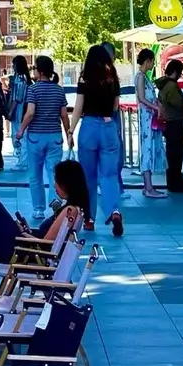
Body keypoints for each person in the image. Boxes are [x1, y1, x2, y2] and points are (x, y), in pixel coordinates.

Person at [0, 159, 89, 293]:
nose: (54, 185)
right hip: (29, 248)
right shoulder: (75, 209)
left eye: (56, 181)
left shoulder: (69, 211)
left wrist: (23, 233)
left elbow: (47, 244)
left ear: (66, 184)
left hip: (25, 252)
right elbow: (49, 240)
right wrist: (27, 231)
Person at [71, 43, 124, 236]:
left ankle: (89, 219)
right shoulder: (113, 78)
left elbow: (78, 108)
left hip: (89, 127)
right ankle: (114, 211)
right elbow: (116, 106)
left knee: (89, 176)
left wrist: (70, 130)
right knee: (109, 175)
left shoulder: (85, 78)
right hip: (109, 127)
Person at [15, 53, 71, 222]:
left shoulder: (33, 90)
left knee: (35, 174)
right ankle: (54, 199)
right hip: (55, 137)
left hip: (36, 138)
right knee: (54, 172)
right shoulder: (59, 90)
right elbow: (64, 115)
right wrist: (69, 134)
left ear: (39, 71)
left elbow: (30, 113)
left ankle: (38, 209)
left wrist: (21, 130)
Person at [134, 47, 166, 197]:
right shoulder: (141, 77)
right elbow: (141, 98)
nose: (153, 64)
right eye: (152, 61)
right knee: (147, 148)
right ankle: (148, 187)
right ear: (148, 61)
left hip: (149, 117)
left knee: (148, 148)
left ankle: (148, 185)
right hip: (146, 118)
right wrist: (155, 107)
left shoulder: (144, 76)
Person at [158, 59, 183, 191]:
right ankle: (177, 183)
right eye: (180, 72)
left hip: (168, 122)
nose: (180, 75)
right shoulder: (171, 86)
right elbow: (178, 103)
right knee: (176, 154)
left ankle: (172, 182)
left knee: (171, 154)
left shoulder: (163, 84)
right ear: (175, 72)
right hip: (175, 122)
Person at [5, 54, 30, 164]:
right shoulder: (21, 77)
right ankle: (22, 159)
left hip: (19, 109)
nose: (13, 67)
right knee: (18, 134)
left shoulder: (20, 78)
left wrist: (11, 111)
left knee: (19, 134)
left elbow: (17, 97)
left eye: (14, 64)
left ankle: (23, 161)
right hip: (19, 108)